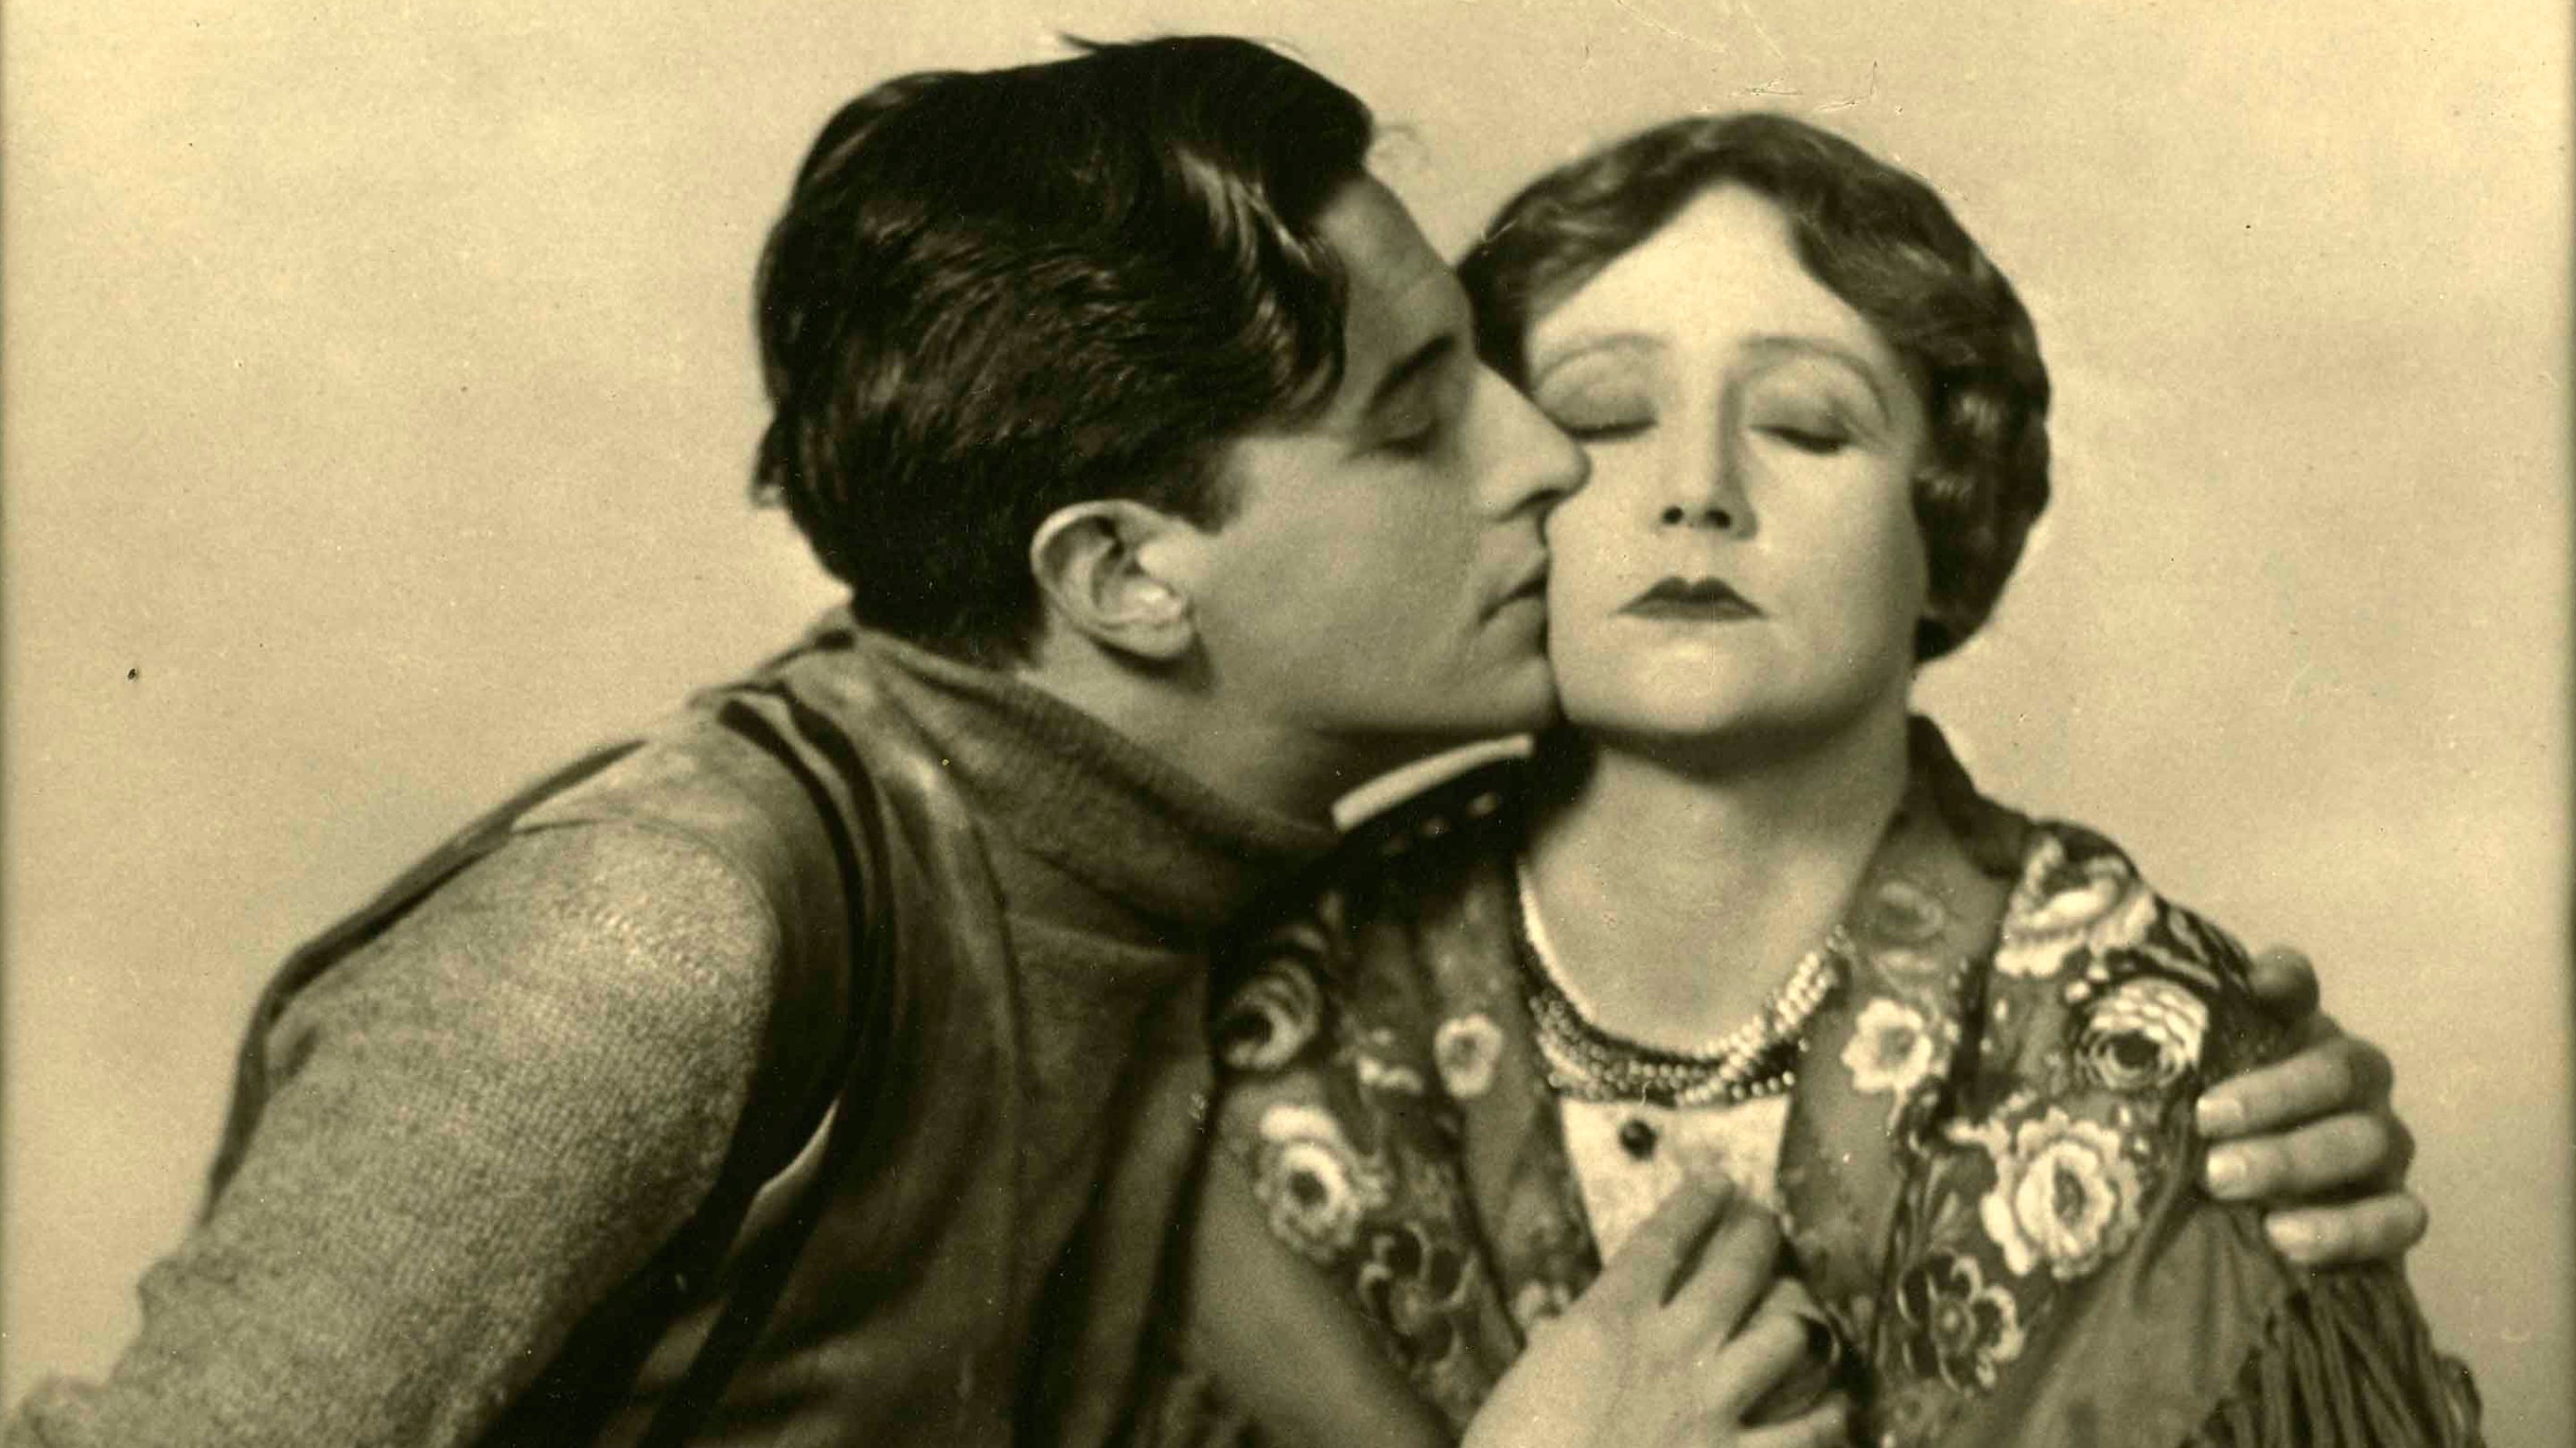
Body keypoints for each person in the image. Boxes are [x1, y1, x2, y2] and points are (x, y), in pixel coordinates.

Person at [6, 41, 2423, 1448]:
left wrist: (2213, 1092)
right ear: (1126, 578)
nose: (1551, 470)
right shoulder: (668, 931)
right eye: (1423, 415)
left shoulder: (1254, 925)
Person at [1176, 112, 2479, 1446]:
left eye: (1805, 426)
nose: (1698, 492)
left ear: (1949, 517)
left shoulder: (2167, 1053)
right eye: (1606, 417)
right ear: (1494, 489)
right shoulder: (1264, 1026)